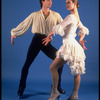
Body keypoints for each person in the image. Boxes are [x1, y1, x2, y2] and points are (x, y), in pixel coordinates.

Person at [11, 0, 66, 97]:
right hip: (36, 40)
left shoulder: (56, 15)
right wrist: (14, 33)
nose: (51, 1)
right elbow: (24, 24)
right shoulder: (34, 15)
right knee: (27, 64)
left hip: (46, 40)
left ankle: (57, 86)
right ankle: (21, 87)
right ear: (42, 1)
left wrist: (52, 34)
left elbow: (63, 26)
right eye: (48, 0)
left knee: (60, 61)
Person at [42, 0, 89, 100]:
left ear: (75, 3)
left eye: (69, 2)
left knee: (53, 68)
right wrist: (80, 40)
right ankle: (74, 95)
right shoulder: (77, 18)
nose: (66, 4)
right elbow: (83, 29)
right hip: (74, 46)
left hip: (68, 46)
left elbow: (58, 27)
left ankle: (55, 92)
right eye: (66, 3)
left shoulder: (70, 17)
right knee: (76, 72)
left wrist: (49, 35)